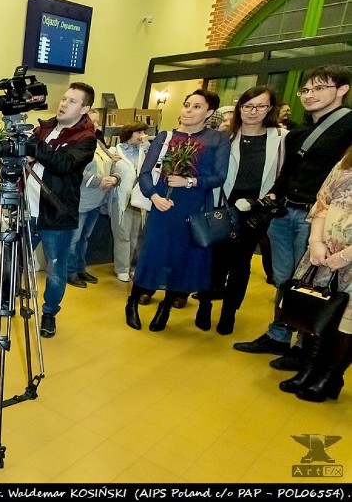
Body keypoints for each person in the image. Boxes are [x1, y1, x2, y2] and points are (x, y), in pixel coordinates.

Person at [234, 65, 352, 366]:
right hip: (285, 211)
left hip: (319, 219)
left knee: (312, 283)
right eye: (306, 90)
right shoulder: (298, 132)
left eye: (319, 88)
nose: (310, 95)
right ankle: (279, 335)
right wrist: (272, 197)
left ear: (342, 90)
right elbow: (287, 173)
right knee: (284, 279)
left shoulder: (349, 125)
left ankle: (305, 347)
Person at [0, 83, 98, 338]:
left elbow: (63, 164)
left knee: (55, 268)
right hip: (25, 209)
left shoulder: (86, 138)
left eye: (73, 101)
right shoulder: (44, 128)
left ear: (85, 108)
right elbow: (28, 158)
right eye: (64, 98)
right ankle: (4, 302)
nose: (64, 103)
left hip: (57, 213)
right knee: (12, 260)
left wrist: (33, 148)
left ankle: (49, 314)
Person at [124, 89, 231, 332]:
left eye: (196, 107)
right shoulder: (166, 136)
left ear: (209, 112)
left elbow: (219, 176)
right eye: (186, 105)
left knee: (182, 258)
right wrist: (154, 196)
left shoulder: (217, 139)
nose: (188, 111)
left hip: (193, 207)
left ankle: (166, 307)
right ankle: (132, 302)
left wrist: (190, 181)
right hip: (163, 205)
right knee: (152, 254)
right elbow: (145, 172)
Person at [195, 86, 287, 335]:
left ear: (270, 109)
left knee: (240, 264)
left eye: (260, 106)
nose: (252, 111)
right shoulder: (225, 137)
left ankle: (229, 312)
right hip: (222, 207)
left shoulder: (281, 138)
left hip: (255, 212)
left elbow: (284, 176)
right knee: (214, 260)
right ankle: (204, 304)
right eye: (247, 106)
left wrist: (270, 199)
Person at [277, 148, 352, 402]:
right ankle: (309, 369)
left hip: (348, 259)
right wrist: (315, 242)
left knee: (346, 323)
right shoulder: (346, 160)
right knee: (315, 311)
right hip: (323, 253)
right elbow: (323, 202)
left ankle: (330, 377)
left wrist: (344, 256)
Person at [65, 127, 119, 288]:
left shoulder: (98, 144)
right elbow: (74, 170)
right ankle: (69, 273)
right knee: (73, 240)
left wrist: (115, 178)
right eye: (91, 121)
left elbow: (111, 163)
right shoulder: (75, 143)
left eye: (96, 122)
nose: (94, 125)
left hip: (97, 200)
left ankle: (80, 268)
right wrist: (99, 181)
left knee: (84, 238)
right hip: (80, 200)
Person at [108, 121, 150, 283]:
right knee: (122, 235)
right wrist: (111, 162)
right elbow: (108, 172)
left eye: (143, 133)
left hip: (140, 199)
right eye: (138, 132)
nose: (141, 136)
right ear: (129, 133)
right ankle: (121, 268)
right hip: (121, 199)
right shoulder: (114, 151)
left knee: (136, 235)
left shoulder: (145, 151)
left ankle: (133, 266)